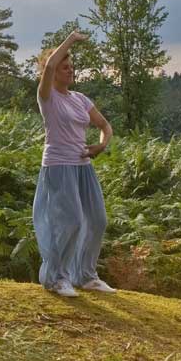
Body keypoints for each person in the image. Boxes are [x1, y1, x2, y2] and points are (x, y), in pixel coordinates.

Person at [33, 30, 115, 297]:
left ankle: (86, 276)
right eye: (65, 67)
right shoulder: (47, 96)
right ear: (53, 72)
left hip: (83, 166)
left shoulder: (80, 99)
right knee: (71, 222)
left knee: (97, 220)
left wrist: (101, 145)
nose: (70, 70)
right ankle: (57, 278)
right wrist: (70, 39)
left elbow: (104, 125)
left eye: (72, 67)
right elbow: (49, 66)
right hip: (58, 166)